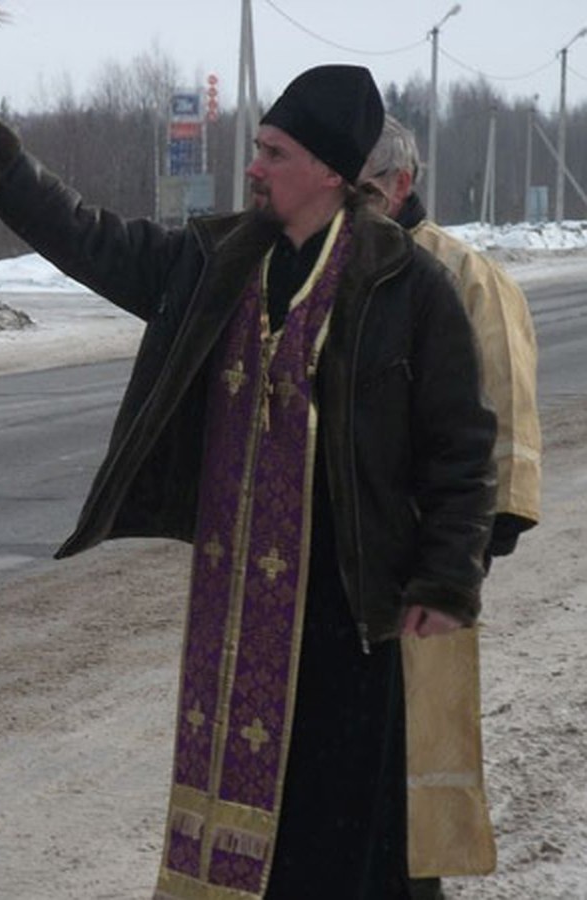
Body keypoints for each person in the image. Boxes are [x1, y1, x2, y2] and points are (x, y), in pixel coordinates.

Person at [0, 62, 497, 900]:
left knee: (342, 841)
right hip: (233, 620)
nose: (254, 165)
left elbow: (463, 451)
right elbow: (94, 238)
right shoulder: (219, 262)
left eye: (273, 151)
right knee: (236, 842)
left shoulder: (406, 288)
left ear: (331, 173)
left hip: (353, 619)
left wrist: (448, 579)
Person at [360, 115, 542, 900]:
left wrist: (459, 560)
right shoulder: (331, 264)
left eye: (361, 189)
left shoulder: (461, 274)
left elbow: (502, 420)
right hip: (349, 564)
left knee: (415, 775)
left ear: (399, 186)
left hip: (429, 565)